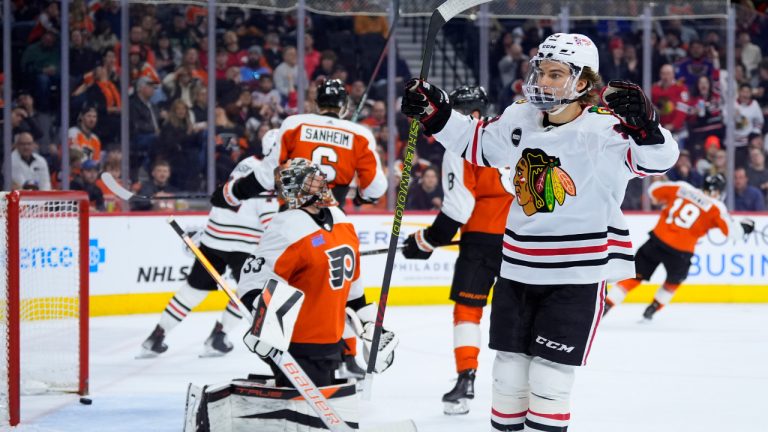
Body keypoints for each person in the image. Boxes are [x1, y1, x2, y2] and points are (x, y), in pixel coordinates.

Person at [401, 33, 679, 431]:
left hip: (576, 275)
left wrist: (647, 127)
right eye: (540, 71)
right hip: (517, 270)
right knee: (508, 378)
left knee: (550, 380)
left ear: (583, 83)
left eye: (556, 74)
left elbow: (659, 160)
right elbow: (474, 141)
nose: (543, 81)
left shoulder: (607, 130)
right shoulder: (519, 118)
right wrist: (435, 113)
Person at [402, 85, 514, 415]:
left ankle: (466, 381)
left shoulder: (461, 144)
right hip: (521, 240)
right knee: (517, 313)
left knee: (468, 310)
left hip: (480, 241)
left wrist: (425, 242)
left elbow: (458, 210)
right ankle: (520, 387)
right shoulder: (509, 134)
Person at [139, 149, 279, 358]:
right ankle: (219, 337)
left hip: (213, 237)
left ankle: (156, 336)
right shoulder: (269, 175)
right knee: (250, 291)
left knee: (192, 290)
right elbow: (271, 224)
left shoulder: (246, 162)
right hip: (244, 245)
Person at [212, 78, 387, 209]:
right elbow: (376, 187)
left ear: (316, 104)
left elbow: (266, 175)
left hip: (293, 214)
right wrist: (362, 197)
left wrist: (232, 194)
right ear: (345, 107)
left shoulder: (294, 124)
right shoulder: (360, 134)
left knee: (267, 257)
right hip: (333, 218)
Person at [604, 175, 754, 319]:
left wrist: (662, 195)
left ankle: (607, 304)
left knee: (635, 276)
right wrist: (745, 227)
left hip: (656, 241)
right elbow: (734, 233)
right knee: (673, 282)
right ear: (719, 192)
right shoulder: (716, 207)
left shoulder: (682, 188)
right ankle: (655, 306)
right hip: (681, 253)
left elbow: (654, 191)